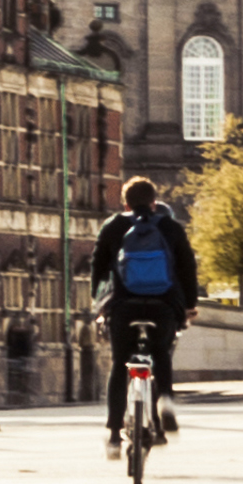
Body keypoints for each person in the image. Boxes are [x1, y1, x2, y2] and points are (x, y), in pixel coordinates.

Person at [88, 175, 198, 454]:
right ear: (153, 202)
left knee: (119, 363)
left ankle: (114, 435)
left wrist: (98, 301)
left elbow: (98, 266)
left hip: (124, 305)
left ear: (125, 203)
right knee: (160, 354)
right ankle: (166, 404)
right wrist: (189, 306)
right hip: (163, 305)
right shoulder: (171, 227)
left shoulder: (113, 226)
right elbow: (187, 268)